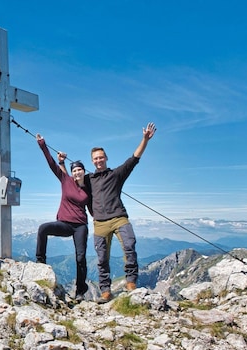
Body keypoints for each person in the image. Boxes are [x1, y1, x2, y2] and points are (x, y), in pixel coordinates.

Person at [89, 122, 157, 303]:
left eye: (101, 157)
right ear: (92, 161)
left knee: (129, 245)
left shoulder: (116, 174)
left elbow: (133, 159)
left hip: (119, 218)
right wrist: (62, 162)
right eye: (95, 158)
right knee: (102, 258)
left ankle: (131, 282)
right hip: (100, 223)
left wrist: (145, 140)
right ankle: (105, 291)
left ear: (106, 158)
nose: (98, 160)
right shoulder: (89, 179)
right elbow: (69, 180)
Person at [35, 134, 91, 302]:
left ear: (84, 171)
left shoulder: (90, 187)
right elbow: (51, 164)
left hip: (80, 226)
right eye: (74, 170)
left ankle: (80, 290)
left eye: (79, 169)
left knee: (80, 257)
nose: (77, 172)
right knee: (43, 229)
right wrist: (43, 144)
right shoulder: (66, 180)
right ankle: (40, 262)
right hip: (64, 224)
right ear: (72, 173)